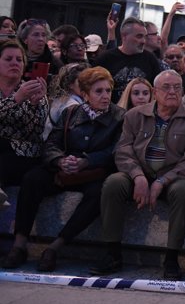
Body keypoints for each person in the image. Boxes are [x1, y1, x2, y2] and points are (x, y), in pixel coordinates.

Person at [2, 67, 125, 271]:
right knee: (33, 179)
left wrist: (86, 161)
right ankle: (19, 244)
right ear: (85, 95)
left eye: (108, 90)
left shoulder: (119, 117)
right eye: (98, 91)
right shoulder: (71, 113)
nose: (105, 96)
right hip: (64, 169)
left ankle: (55, 247)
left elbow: (116, 151)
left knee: (99, 193)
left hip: (94, 172)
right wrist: (59, 161)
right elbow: (51, 144)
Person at [89, 70, 185, 280]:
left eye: (177, 87)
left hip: (173, 176)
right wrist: (138, 176)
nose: (172, 92)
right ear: (155, 91)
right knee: (113, 183)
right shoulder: (134, 115)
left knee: (184, 191)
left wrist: (162, 180)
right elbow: (123, 150)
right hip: (139, 173)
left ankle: (172, 258)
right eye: (167, 87)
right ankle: (112, 253)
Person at [0, 40, 48, 206]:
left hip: (23, 155)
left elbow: (35, 133)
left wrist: (34, 105)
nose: (14, 63)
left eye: (19, 60)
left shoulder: (32, 89)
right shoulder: (19, 94)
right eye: (8, 59)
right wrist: (15, 99)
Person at [95, 17, 161, 103]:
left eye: (145, 37)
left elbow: (158, 89)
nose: (143, 41)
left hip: (140, 113)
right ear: (124, 36)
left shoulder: (150, 59)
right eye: (139, 36)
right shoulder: (106, 58)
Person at [44, 62, 90, 140]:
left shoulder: (60, 99)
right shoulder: (73, 106)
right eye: (81, 81)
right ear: (70, 84)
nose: (87, 85)